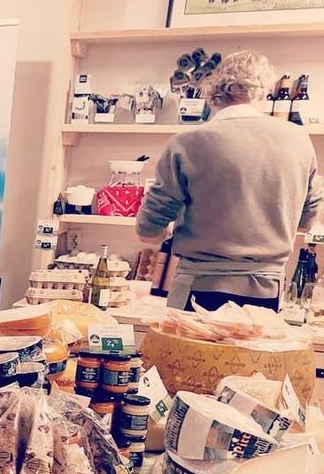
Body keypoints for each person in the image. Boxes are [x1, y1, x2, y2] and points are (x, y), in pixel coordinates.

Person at [137, 49, 324, 310]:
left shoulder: (188, 142)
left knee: (191, 339)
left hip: (198, 287)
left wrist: (162, 231)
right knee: (251, 340)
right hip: (266, 288)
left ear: (213, 92)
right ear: (263, 92)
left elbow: (150, 228)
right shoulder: (298, 139)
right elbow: (307, 217)